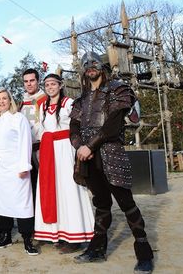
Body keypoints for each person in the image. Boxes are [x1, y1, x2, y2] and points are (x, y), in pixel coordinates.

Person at [69, 52, 154, 273]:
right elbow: (74, 128)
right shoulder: (82, 99)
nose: (90, 67)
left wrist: (90, 145)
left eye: (94, 64)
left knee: (127, 204)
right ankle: (97, 250)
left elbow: (114, 124)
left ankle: (144, 254)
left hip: (110, 152)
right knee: (101, 203)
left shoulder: (118, 89)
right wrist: (80, 147)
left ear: (102, 67)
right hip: (88, 158)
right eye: (86, 65)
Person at [33, 74, 94, 253]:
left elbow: (80, 126)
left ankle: (75, 235)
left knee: (69, 190)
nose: (50, 87)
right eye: (47, 85)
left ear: (60, 86)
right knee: (55, 191)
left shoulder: (69, 103)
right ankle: (60, 233)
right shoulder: (43, 105)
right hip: (49, 152)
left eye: (53, 84)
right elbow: (41, 129)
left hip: (65, 150)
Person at [0, 88, 37, 255]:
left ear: (10, 100)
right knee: (2, 203)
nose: (1, 101)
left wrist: (23, 166)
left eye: (4, 98)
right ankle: (6, 235)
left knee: (22, 204)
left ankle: (27, 239)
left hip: (16, 169)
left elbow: (25, 143)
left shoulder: (18, 118)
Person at [18, 68, 46, 246]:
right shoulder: (20, 103)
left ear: (38, 81)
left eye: (32, 81)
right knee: (30, 189)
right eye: (26, 81)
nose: (29, 84)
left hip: (43, 148)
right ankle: (35, 227)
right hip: (27, 151)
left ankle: (48, 227)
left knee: (45, 187)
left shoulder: (46, 99)